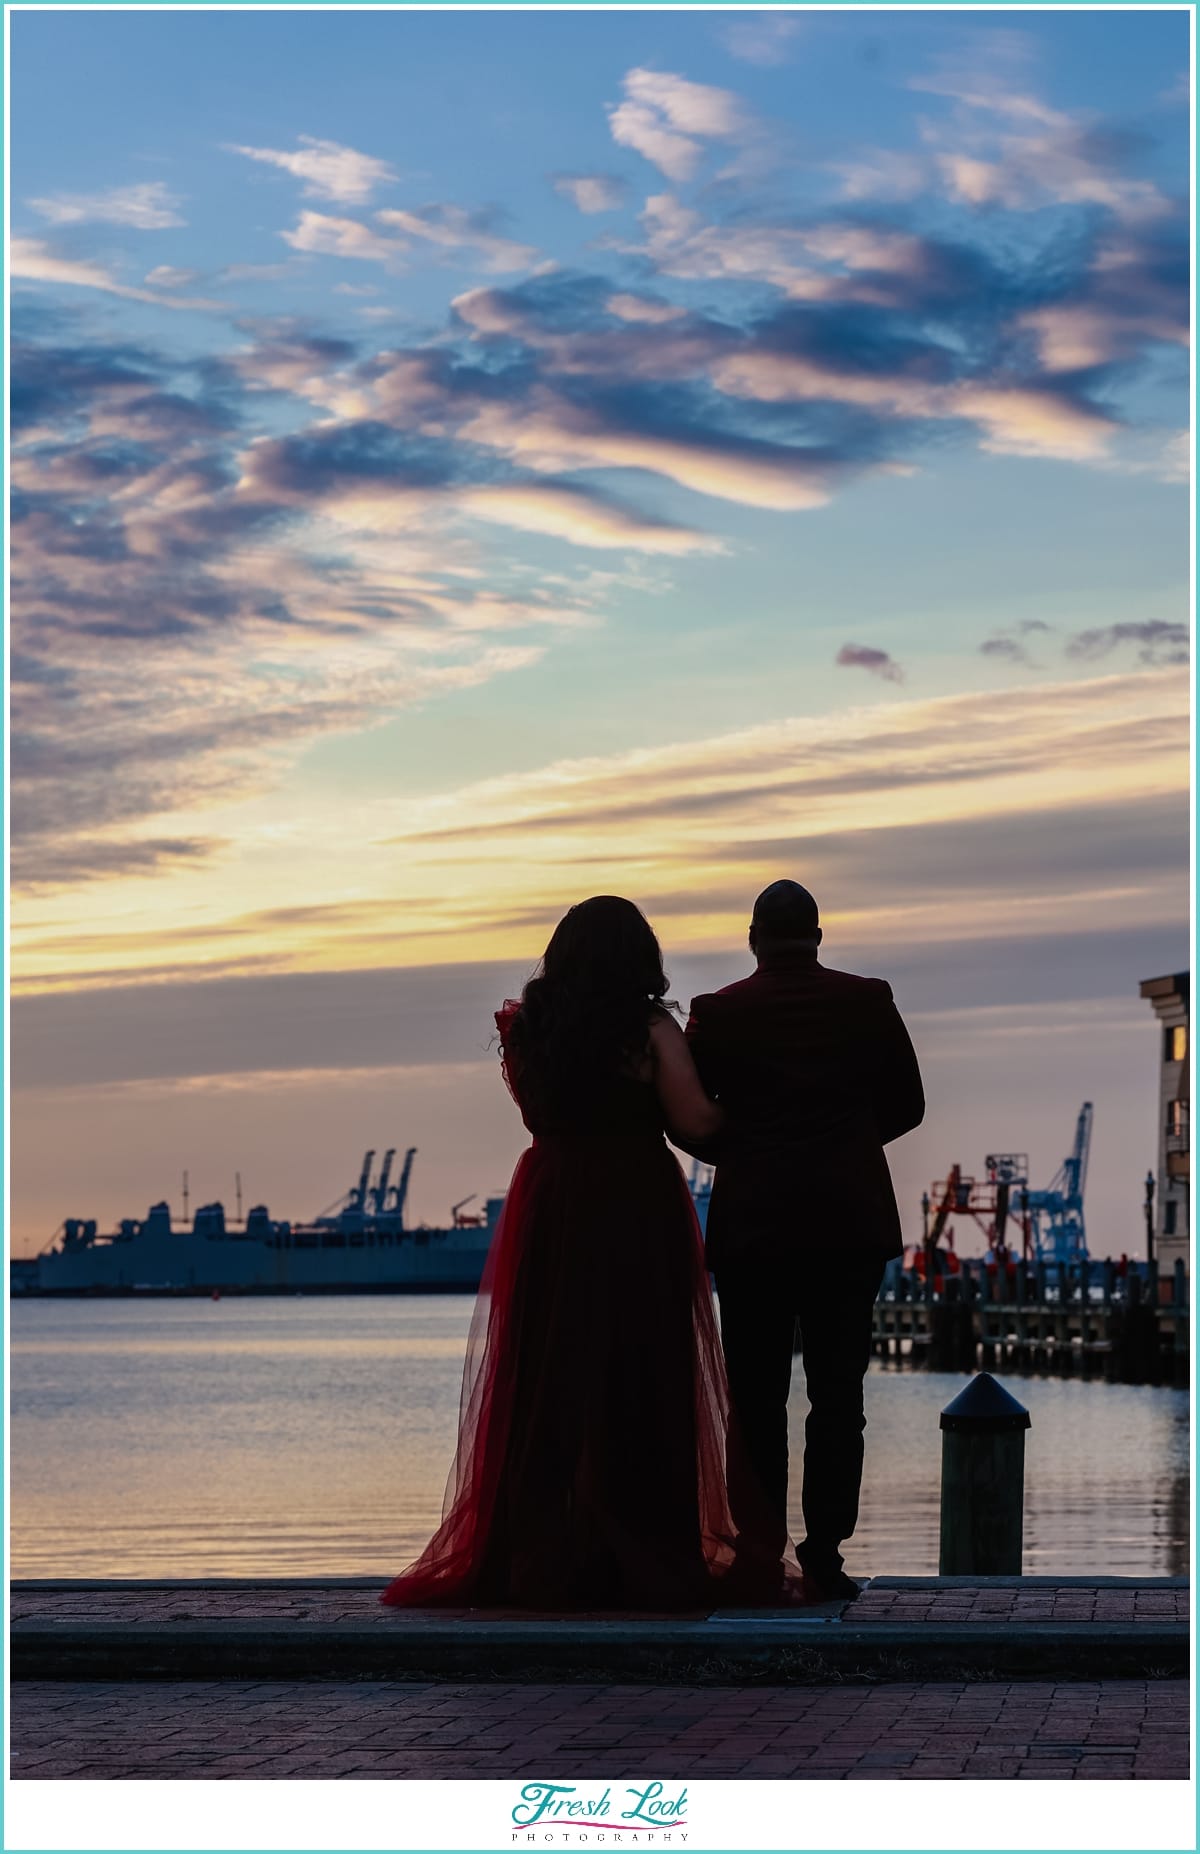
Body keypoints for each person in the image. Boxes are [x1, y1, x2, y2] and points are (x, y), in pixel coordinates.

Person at [380, 895, 804, 1612]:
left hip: (551, 1198)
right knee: (643, 1370)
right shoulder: (648, 1028)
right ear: (639, 955)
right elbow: (694, 1118)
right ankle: (638, 1546)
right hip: (633, 1200)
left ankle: (543, 1550)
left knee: (548, 1371)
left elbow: (535, 1113)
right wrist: (765, 1119)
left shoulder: (527, 1029)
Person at [686, 880, 925, 1602]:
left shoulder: (719, 1013)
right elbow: (908, 1105)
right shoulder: (867, 1001)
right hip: (847, 1227)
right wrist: (845, 1145)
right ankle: (825, 1553)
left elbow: (690, 1120)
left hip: (754, 1230)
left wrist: (750, 1151)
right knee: (838, 1396)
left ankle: (759, 1552)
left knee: (755, 1399)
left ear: (753, 938)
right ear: (819, 935)